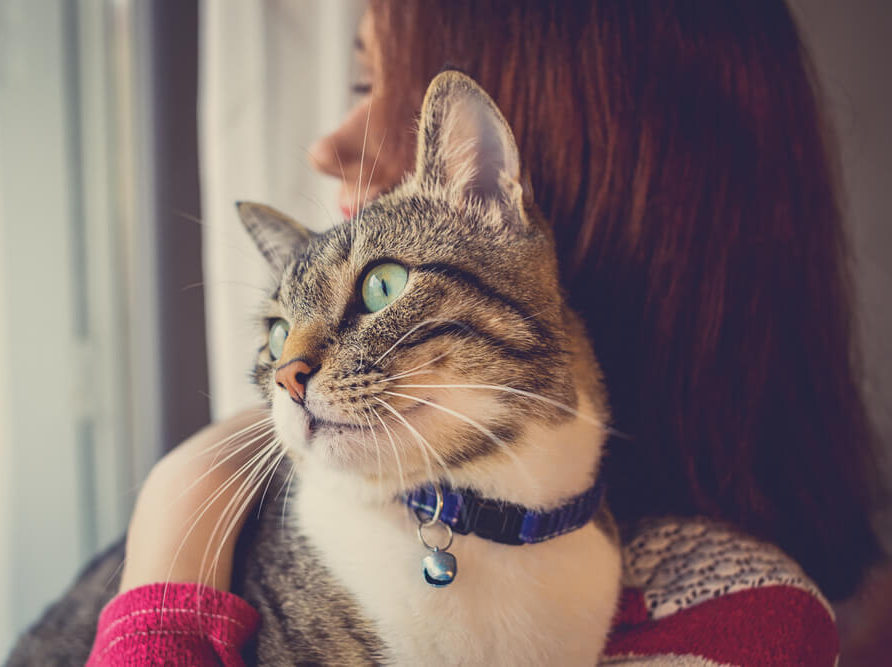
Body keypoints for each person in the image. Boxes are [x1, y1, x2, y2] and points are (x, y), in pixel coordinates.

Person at [87, 1, 887, 664]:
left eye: (379, 81)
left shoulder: (733, 606)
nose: (328, 147)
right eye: (280, 340)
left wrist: (172, 538)